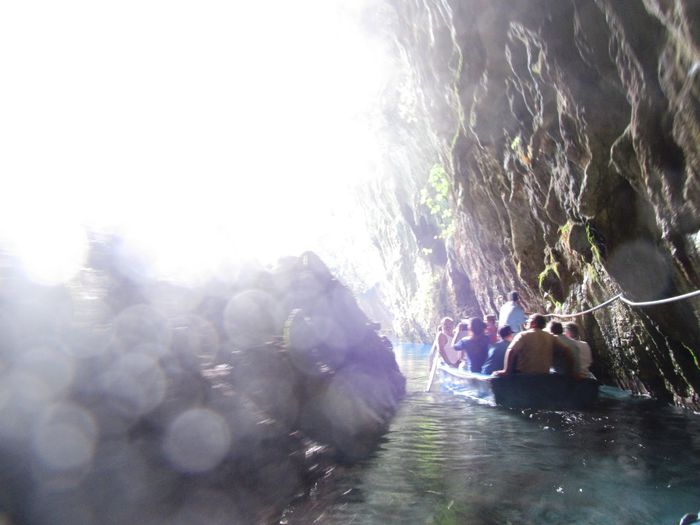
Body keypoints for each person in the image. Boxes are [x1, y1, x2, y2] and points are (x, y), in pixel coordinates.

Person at [495, 314, 577, 376]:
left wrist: (506, 371)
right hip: (543, 377)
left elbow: (511, 350)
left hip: (524, 376)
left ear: (534, 323)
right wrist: (572, 372)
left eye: (528, 321)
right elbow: (567, 351)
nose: (526, 323)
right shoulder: (550, 337)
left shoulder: (523, 335)